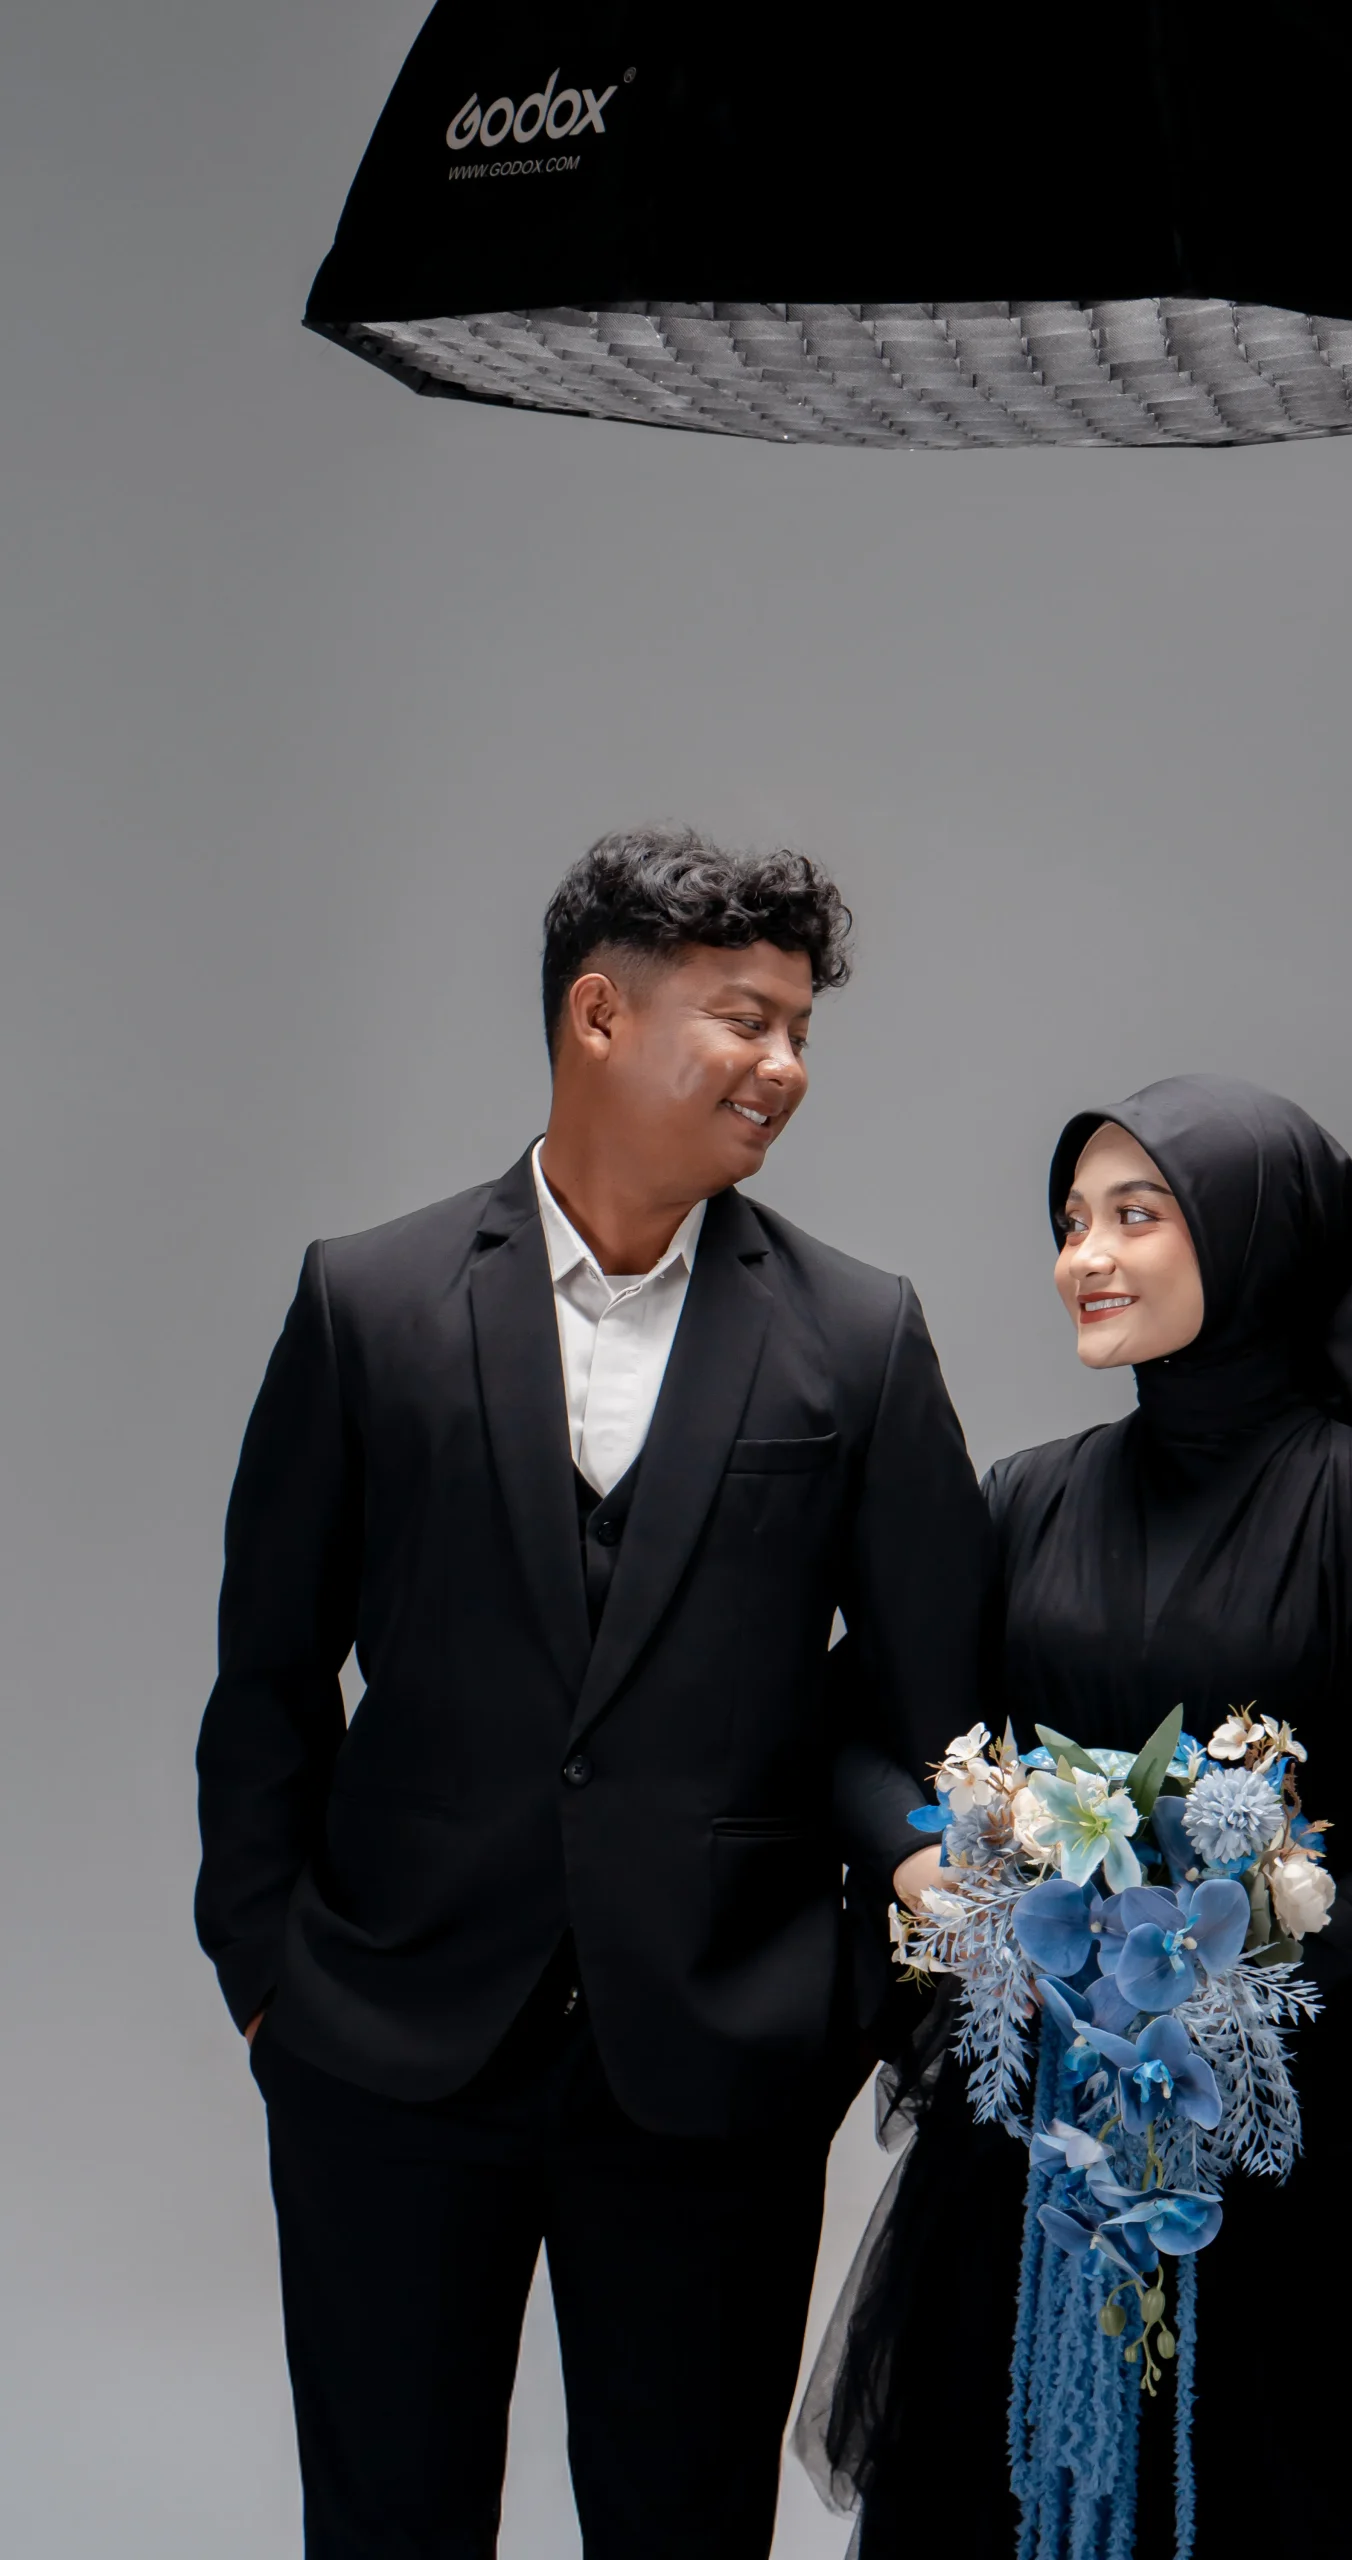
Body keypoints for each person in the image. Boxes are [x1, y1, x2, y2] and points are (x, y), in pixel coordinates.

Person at [194, 826, 991, 2560]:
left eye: (799, 1031)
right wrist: (269, 1981)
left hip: (718, 2067)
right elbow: (266, 1676)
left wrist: (849, 2007)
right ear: (599, 1017)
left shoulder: (856, 1337)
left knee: (684, 2531)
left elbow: (936, 1718)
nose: (784, 1066)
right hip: (386, 2045)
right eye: (744, 1018)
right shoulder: (368, 1303)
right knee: (384, 2526)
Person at [802, 1074, 1352, 2560]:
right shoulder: (1023, 1500)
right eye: (1071, 1222)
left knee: (1277, 2492)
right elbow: (843, 1724)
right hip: (1046, 2090)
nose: (1086, 1258)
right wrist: (926, 1864)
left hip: (1293, 2102)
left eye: (1135, 1216)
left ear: (1256, 1240)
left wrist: (1255, 1971)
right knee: (1013, 2483)